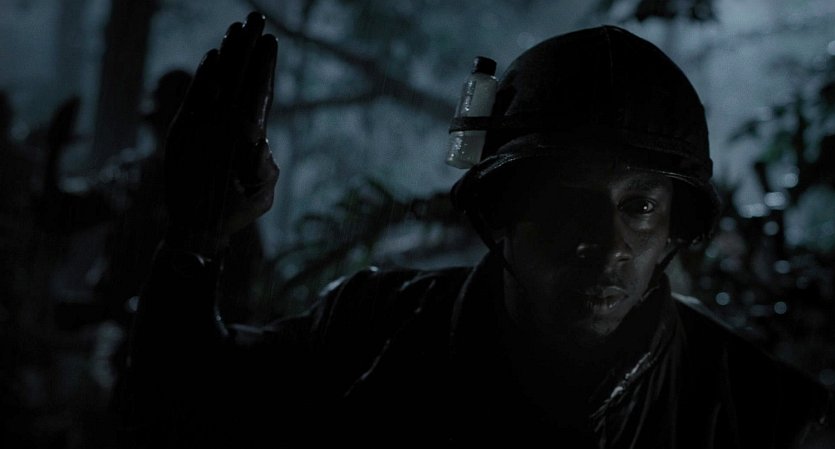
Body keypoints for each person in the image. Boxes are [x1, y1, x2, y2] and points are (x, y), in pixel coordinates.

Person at [124, 12, 831, 447]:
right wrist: (195, 238)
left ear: (676, 226)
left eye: (639, 206)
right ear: (501, 213)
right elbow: (186, 406)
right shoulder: (372, 332)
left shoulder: (763, 413)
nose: (609, 243)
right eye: (570, 203)